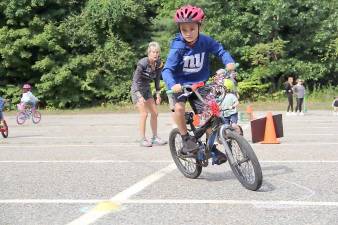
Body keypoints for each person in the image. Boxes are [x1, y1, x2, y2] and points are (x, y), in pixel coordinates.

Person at [162, 5, 235, 155]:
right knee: (180, 108)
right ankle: (185, 139)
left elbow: (220, 50)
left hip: (199, 84)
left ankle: (211, 149)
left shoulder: (205, 41)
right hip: (180, 85)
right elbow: (167, 69)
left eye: (192, 29)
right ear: (179, 29)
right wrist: (173, 84)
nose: (188, 33)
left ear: (199, 26)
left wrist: (228, 61)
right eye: (184, 30)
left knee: (210, 116)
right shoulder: (178, 47)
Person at [131, 41, 167, 147]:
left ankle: (155, 137)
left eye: (157, 52)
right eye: (153, 52)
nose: (155, 54)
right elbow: (135, 81)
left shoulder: (159, 64)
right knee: (144, 114)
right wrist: (139, 96)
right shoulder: (142, 63)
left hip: (146, 89)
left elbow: (157, 79)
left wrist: (158, 94)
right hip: (137, 89)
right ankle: (142, 139)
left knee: (155, 113)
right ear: (149, 53)